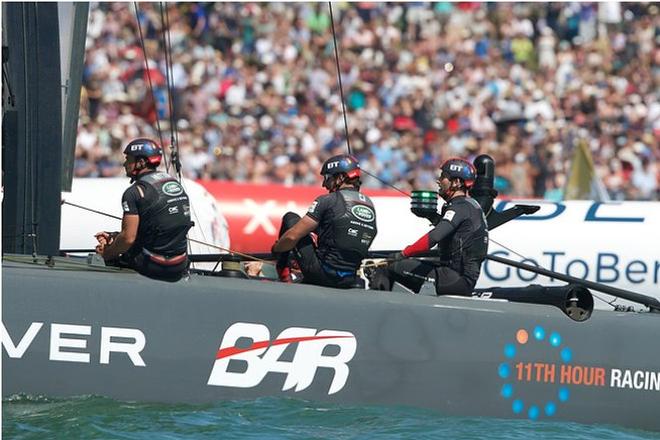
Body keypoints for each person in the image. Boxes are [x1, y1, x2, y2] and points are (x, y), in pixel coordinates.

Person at [371, 158, 488, 295]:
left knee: (386, 267)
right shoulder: (469, 205)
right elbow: (455, 235)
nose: (439, 180)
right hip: (456, 277)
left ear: (456, 182)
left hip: (453, 278)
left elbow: (434, 237)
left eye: (444, 177)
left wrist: (403, 254)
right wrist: (431, 216)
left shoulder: (460, 207)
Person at [271, 154, 377, 288]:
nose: (324, 184)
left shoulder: (327, 200)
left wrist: (276, 249)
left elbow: (292, 236)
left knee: (290, 218)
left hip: (322, 275)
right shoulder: (369, 203)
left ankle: (283, 274)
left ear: (340, 178)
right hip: (349, 280)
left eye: (327, 178)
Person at [95, 138, 192, 282]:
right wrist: (116, 237)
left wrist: (107, 253)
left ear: (141, 162)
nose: (125, 163)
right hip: (179, 264)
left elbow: (128, 239)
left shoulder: (134, 192)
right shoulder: (172, 182)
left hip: (154, 266)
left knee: (110, 254)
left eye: (128, 159)